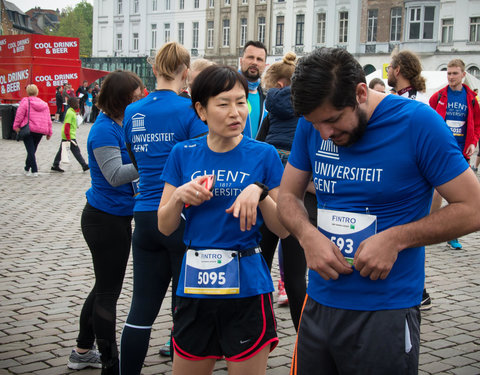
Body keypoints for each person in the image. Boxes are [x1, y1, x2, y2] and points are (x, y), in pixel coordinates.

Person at [277, 47, 480, 375]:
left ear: (360, 92)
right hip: (319, 303)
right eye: (316, 125)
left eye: (331, 121)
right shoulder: (313, 123)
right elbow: (288, 194)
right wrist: (306, 235)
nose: (325, 134)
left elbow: (473, 208)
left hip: (386, 309)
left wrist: (397, 239)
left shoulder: (418, 123)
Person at [157, 64, 288, 375]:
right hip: (196, 287)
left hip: (247, 287)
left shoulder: (264, 154)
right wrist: (178, 198)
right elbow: (165, 225)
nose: (236, 112)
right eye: (223, 103)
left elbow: (283, 227)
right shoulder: (182, 153)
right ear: (201, 110)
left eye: (241, 101)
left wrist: (259, 191)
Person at [120, 41, 208, 375]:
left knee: (140, 308)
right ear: (187, 73)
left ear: (154, 70)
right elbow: (204, 157)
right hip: (180, 215)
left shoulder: (133, 111)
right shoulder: (189, 110)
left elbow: (134, 158)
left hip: (143, 214)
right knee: (183, 308)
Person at [66, 70, 143, 375]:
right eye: (137, 96)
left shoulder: (122, 123)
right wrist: (146, 161)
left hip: (117, 216)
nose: (142, 99)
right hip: (104, 219)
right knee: (108, 292)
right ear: (122, 98)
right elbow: (114, 176)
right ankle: (111, 363)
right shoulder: (103, 131)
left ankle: (82, 351)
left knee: (103, 286)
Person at [257, 51, 314, 330]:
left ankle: (259, 330)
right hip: (298, 193)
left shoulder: (271, 111)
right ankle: (306, 340)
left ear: (278, 85)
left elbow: (258, 145)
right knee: (294, 277)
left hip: (269, 190)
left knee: (260, 267)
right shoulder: (308, 112)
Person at [387, 49, 432, 310]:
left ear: (399, 70)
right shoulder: (401, 97)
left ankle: (417, 291)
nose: (389, 71)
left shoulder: (416, 102)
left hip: (409, 178)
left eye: (391, 67)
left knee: (407, 236)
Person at [429, 59, 480, 250]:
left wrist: (473, 142)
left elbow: (477, 123)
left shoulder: (472, 99)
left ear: (463, 75)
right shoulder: (438, 96)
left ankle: (454, 235)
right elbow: (429, 120)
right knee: (436, 192)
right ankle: (430, 228)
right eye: (448, 73)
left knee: (459, 195)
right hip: (441, 150)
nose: (451, 77)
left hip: (461, 151)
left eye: (454, 73)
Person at [13, 84, 53, 177]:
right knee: (32, 149)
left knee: (30, 150)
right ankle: (27, 168)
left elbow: (19, 114)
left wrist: (16, 126)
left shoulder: (25, 102)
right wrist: (49, 132)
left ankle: (34, 170)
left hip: (29, 128)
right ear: (37, 91)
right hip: (40, 130)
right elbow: (48, 119)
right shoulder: (44, 104)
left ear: (27, 91)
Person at [51, 97, 89, 173]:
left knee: (61, 150)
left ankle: (55, 164)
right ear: (73, 104)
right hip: (69, 135)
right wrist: (68, 136)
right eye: (77, 103)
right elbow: (67, 125)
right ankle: (84, 165)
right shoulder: (70, 113)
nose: (78, 104)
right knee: (76, 151)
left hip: (68, 135)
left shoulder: (71, 112)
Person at [239, 40, 268, 138]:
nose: (255, 62)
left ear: (264, 65)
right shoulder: (226, 90)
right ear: (241, 60)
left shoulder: (267, 98)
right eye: (250, 57)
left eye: (259, 59)